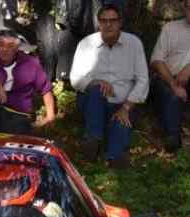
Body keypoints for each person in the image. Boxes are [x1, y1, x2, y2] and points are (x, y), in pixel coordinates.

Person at [69, 4, 148, 169]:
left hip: (123, 102)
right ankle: (93, 139)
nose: (108, 25)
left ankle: (114, 157)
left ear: (120, 22)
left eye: (113, 20)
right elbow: (75, 78)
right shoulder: (86, 43)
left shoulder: (134, 43)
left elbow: (143, 80)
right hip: (93, 102)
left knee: (121, 120)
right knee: (97, 91)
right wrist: (95, 82)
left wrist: (126, 107)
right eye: (104, 21)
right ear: (98, 23)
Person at [0, 29, 56, 134]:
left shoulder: (31, 63)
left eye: (10, 45)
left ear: (17, 48)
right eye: (0, 44)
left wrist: (50, 115)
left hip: (18, 114)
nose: (4, 49)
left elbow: (46, 89)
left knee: (16, 134)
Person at [149, 0, 190, 153]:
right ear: (184, 8)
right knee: (170, 93)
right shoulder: (171, 28)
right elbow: (156, 60)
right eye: (188, 7)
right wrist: (173, 84)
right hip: (168, 77)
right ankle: (173, 138)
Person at [0, 163, 64, 217]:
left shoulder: (40, 205)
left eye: (12, 184)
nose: (5, 189)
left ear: (25, 186)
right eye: (0, 185)